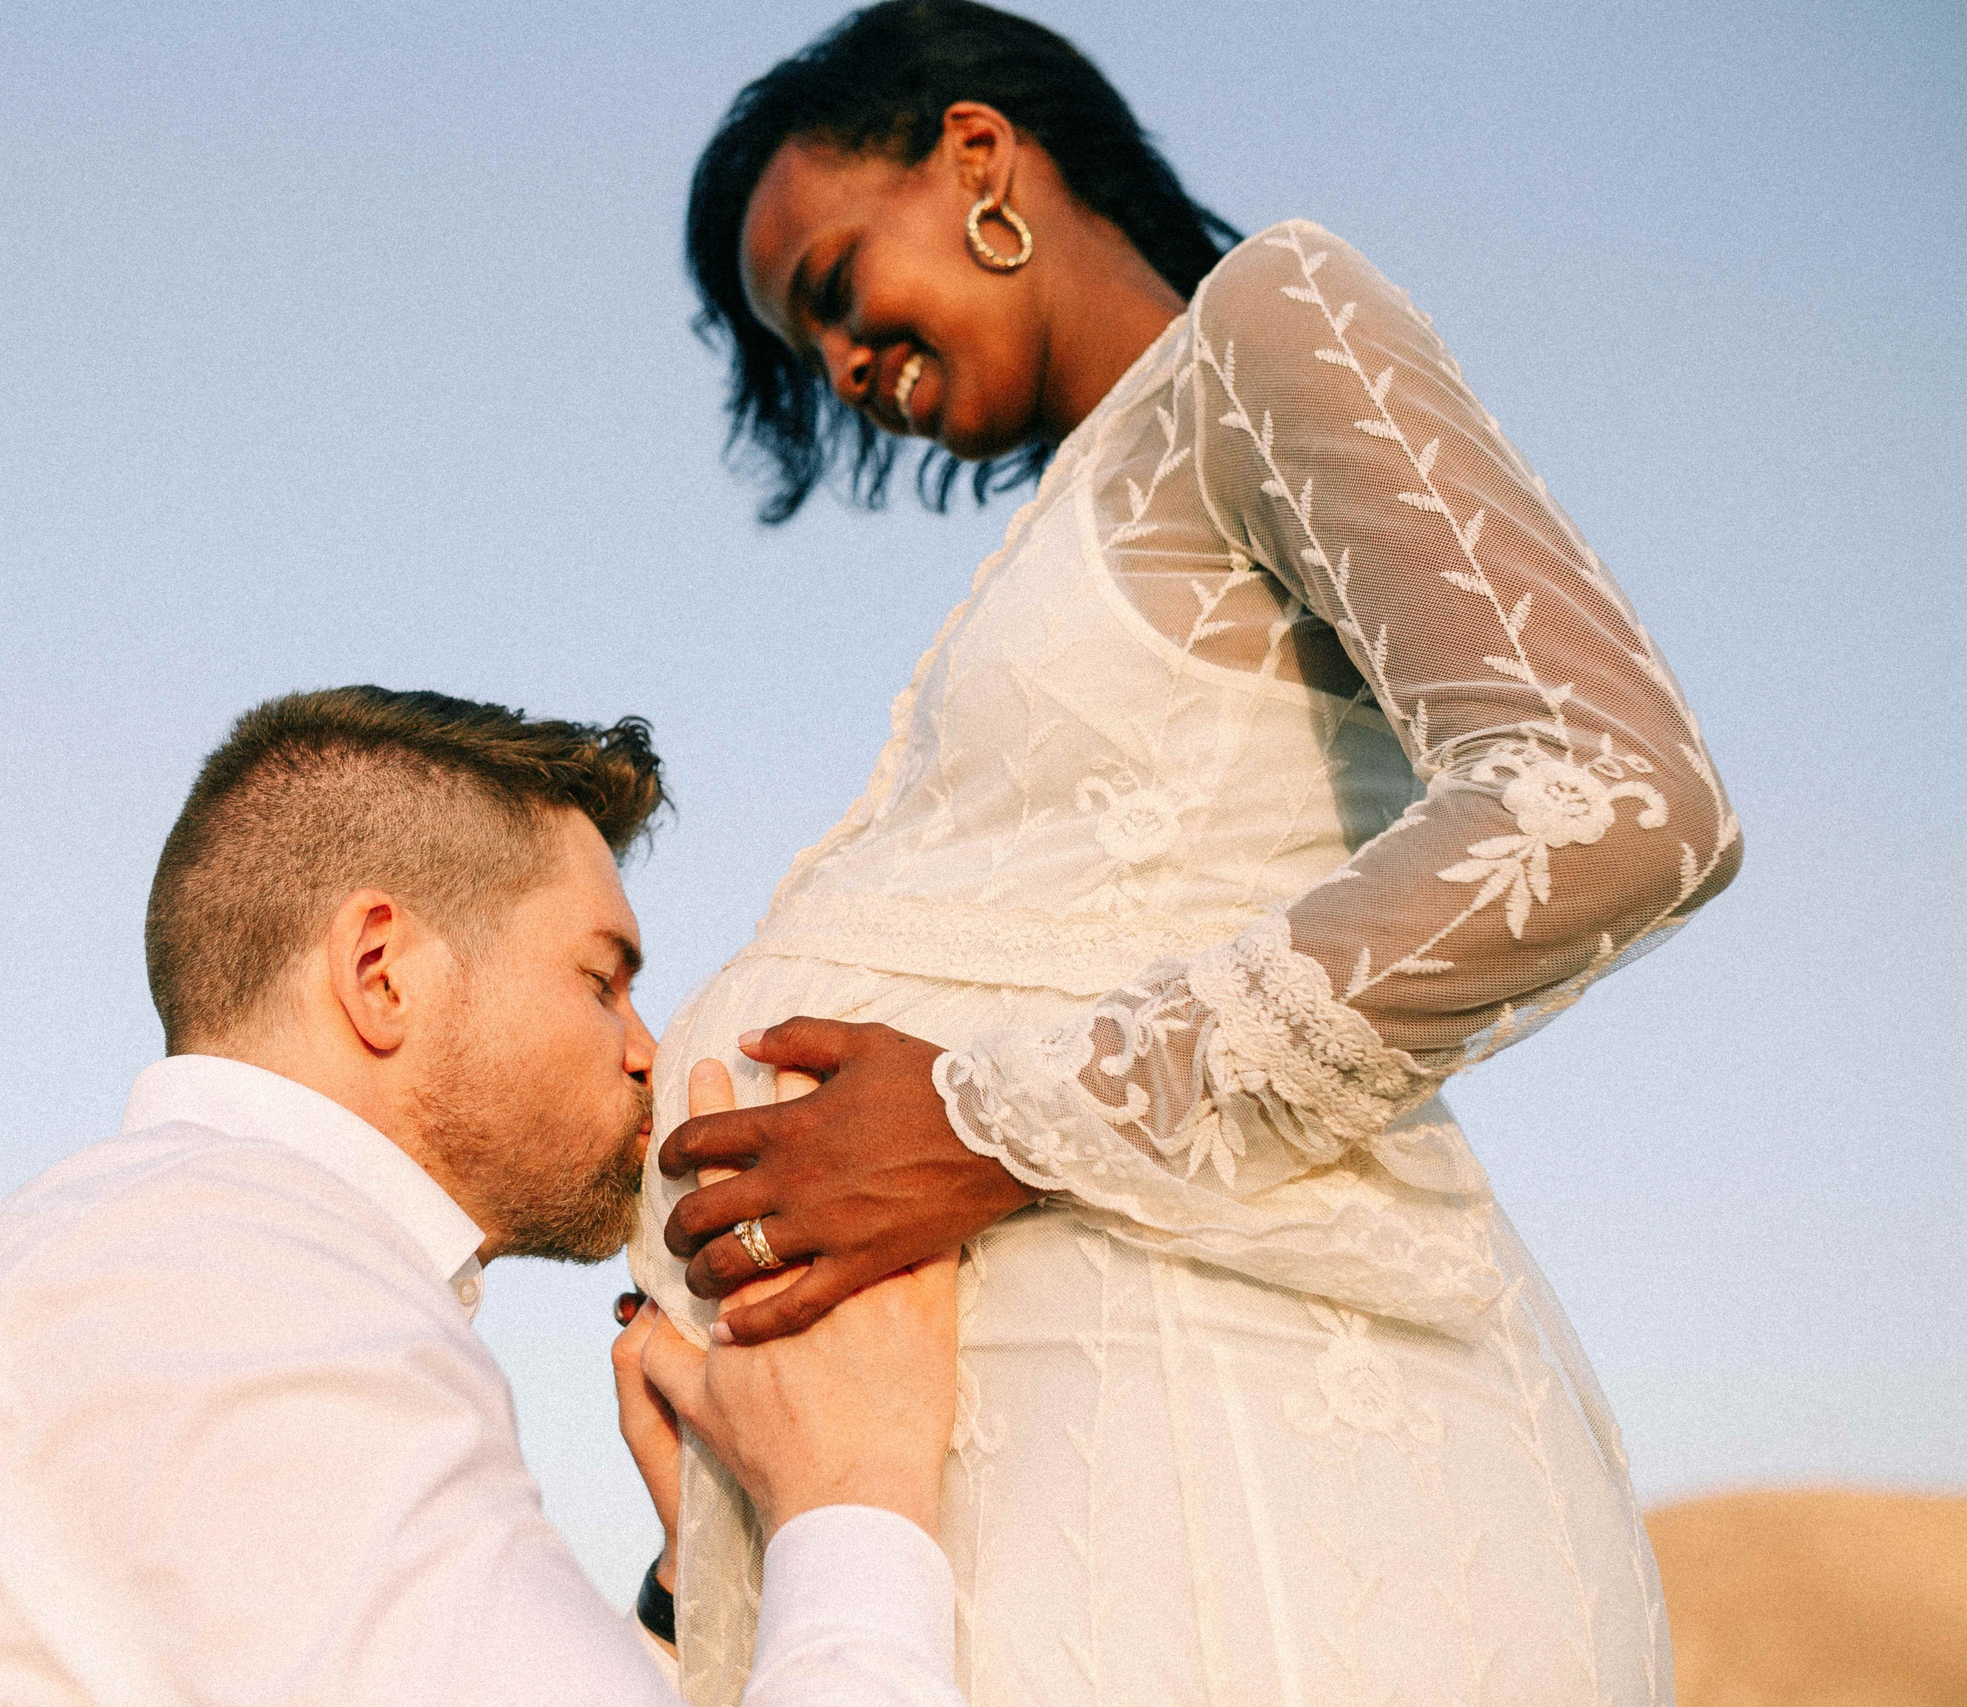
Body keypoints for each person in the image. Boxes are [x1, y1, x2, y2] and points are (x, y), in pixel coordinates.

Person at [630, 4, 1742, 1703]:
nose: (842, 366)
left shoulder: (1265, 325)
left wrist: (989, 1118)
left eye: (836, 285)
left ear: (980, 158)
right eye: (807, 348)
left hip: (1265, 1493)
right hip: (1085, 1497)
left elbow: (1615, 795)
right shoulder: (1072, 516)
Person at [0, 686, 971, 1706]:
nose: (647, 1053)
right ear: (381, 974)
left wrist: (681, 1594)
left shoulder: (158, 1256)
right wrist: (852, 1496)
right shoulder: (217, 1281)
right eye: (601, 979)